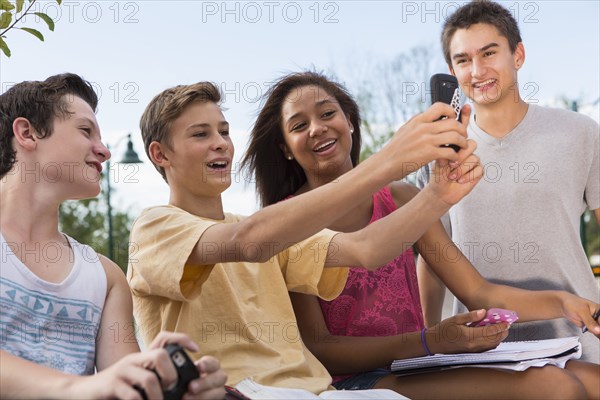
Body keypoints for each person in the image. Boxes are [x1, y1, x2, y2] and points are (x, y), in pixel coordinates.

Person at [241, 70, 600, 399]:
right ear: (286, 149)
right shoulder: (287, 222)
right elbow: (321, 346)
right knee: (555, 387)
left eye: (327, 113)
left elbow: (478, 291)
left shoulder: (399, 197)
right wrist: (429, 341)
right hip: (353, 378)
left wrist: (563, 303)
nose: (317, 128)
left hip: (423, 362)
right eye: (299, 125)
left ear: (349, 121)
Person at [127, 80, 483, 393]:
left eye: (223, 131)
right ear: (160, 155)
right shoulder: (156, 228)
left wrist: (438, 195)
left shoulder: (265, 230)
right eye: (201, 134)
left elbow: (366, 249)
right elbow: (245, 242)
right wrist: (389, 160)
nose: (221, 143)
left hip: (317, 392)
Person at [0, 73, 226, 399]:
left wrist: (166, 385)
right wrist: (81, 387)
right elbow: (94, 388)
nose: (103, 150)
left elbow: (123, 388)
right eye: (85, 131)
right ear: (27, 133)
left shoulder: (106, 277)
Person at [416, 0, 600, 364]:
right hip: (479, 348)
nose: (478, 70)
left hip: (578, 340)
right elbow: (433, 257)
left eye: (489, 53)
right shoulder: (439, 152)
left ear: (518, 55)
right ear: (452, 70)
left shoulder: (580, 133)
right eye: (463, 60)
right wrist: (427, 339)